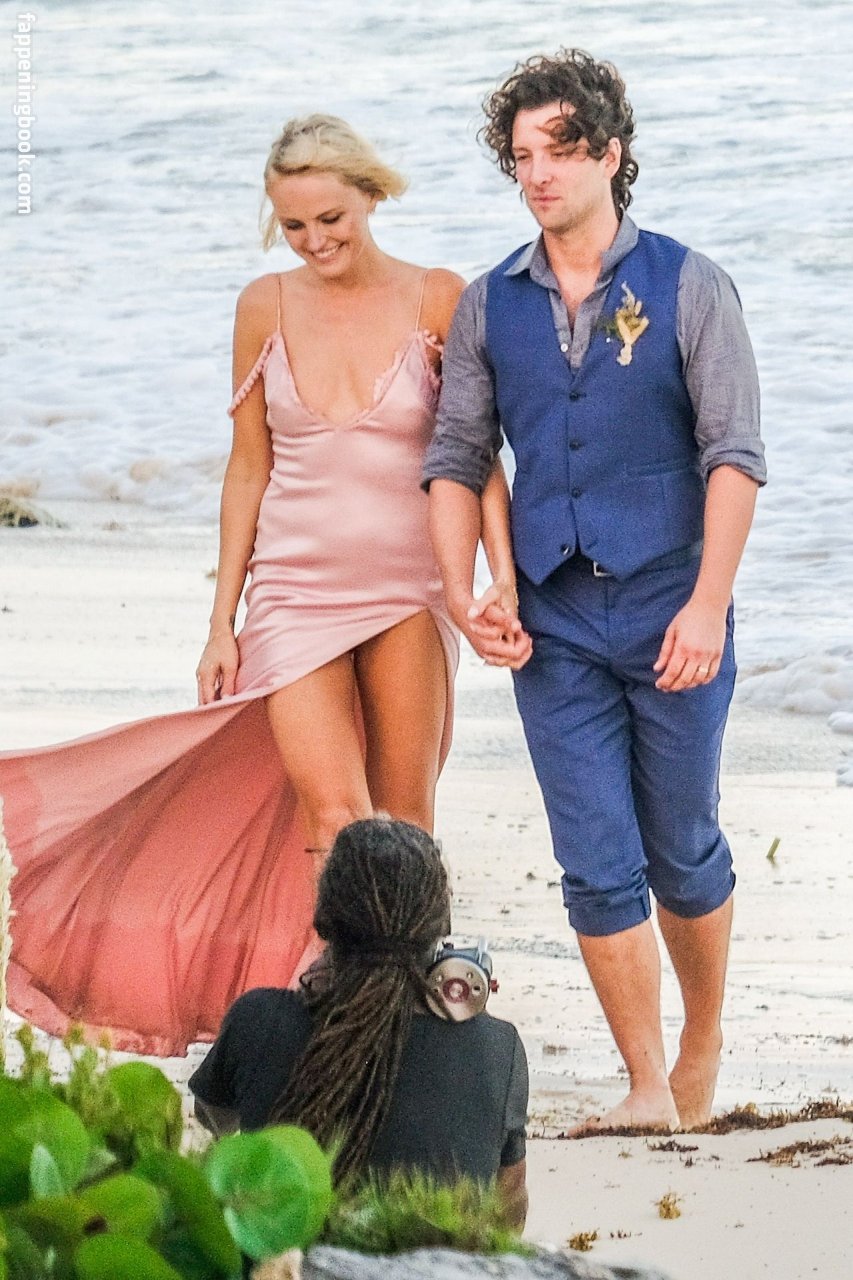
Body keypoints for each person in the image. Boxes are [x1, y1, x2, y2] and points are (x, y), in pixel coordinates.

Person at [0, 114, 505, 1056]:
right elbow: (248, 467)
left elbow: (475, 457)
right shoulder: (263, 306)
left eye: (330, 219)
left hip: (408, 590)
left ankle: (405, 1017)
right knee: (335, 818)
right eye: (294, 225)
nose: (314, 241)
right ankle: (344, 1012)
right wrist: (220, 621)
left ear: (371, 195)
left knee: (404, 820)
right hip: (293, 592)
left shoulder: (440, 297)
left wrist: (485, 585)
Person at [423, 50, 766, 1133]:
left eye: (561, 150)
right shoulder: (489, 304)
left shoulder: (690, 284)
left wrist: (706, 603)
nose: (539, 173)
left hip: (673, 603)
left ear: (610, 154)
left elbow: (733, 457)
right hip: (554, 618)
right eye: (522, 154)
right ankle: (645, 1081)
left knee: (683, 847)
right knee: (593, 858)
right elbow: (457, 456)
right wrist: (467, 595)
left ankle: (701, 1039)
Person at [189, 817, 529, 1227]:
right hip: (434, 1258)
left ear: (324, 917)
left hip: (288, 1255)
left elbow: (213, 1120)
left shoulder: (259, 1019)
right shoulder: (497, 1047)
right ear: (440, 927)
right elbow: (507, 1208)